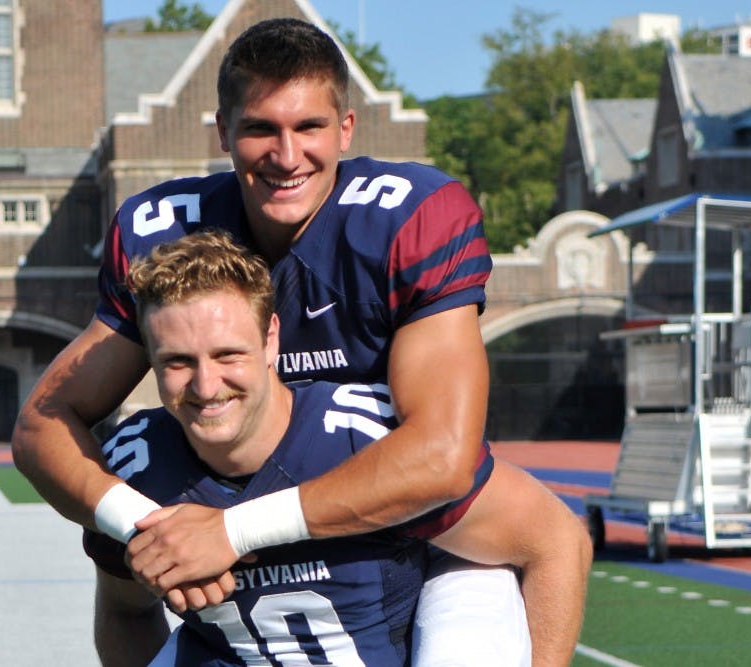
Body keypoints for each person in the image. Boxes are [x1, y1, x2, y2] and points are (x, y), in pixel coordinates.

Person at [12, 17, 591, 666]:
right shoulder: (164, 233)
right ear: (224, 131)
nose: (287, 156)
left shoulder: (407, 218)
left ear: (345, 128)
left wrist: (232, 530)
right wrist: (151, 530)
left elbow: (442, 456)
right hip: (223, 494)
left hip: (413, 516)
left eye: (309, 127)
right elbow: (42, 422)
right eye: (261, 127)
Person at [93, 230, 571, 666]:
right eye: (177, 361)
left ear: (270, 340)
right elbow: (125, 612)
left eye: (227, 354)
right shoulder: (136, 465)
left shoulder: (363, 434)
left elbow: (554, 539)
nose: (206, 383)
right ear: (149, 360)